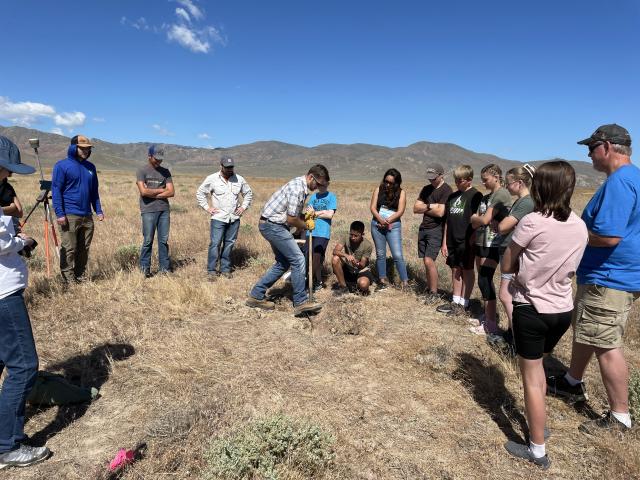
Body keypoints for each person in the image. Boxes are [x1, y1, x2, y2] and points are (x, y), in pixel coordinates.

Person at [547, 124, 640, 434]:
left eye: (591, 148)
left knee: (606, 345)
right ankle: (572, 381)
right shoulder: (634, 177)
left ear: (607, 147)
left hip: (608, 277)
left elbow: (609, 236)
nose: (588, 154)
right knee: (587, 329)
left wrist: (573, 231)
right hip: (616, 274)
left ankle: (619, 417)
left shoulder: (619, 183)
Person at [502, 161, 587, 469]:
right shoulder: (579, 225)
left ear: (540, 187)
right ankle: (539, 426)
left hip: (531, 308)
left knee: (533, 381)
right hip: (563, 311)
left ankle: (537, 449)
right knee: (539, 370)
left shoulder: (533, 222)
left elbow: (507, 265)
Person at [0, 135, 51, 469]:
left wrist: (16, 239)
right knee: (23, 366)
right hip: (4, 296)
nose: (8, 176)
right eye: (6, 170)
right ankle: (7, 446)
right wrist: (21, 241)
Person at [246, 165, 328, 316]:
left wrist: (307, 217)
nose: (317, 188)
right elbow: (291, 219)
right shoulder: (297, 189)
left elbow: (294, 214)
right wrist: (305, 225)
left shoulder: (301, 188)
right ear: (311, 177)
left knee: (283, 263)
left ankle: (256, 295)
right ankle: (300, 302)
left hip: (273, 225)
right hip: (273, 226)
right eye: (317, 184)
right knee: (298, 259)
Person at [51, 135, 104, 283]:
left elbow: (94, 192)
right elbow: (56, 190)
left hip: (87, 215)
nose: (86, 151)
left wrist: (98, 210)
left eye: (88, 148)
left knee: (84, 249)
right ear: (74, 147)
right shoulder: (61, 166)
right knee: (69, 248)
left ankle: (79, 276)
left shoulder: (91, 167)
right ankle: (68, 280)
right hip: (69, 215)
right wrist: (60, 213)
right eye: (82, 148)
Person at [469, 164, 512, 336]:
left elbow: (484, 219)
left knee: (485, 279)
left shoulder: (501, 194)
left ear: (496, 177)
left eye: (485, 179)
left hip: (494, 243)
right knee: (483, 280)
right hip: (482, 241)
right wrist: (477, 220)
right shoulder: (488, 197)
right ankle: (487, 317)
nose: (483, 182)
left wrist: (475, 217)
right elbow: (477, 223)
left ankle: (491, 324)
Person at [496, 164, 536, 347]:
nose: (506, 186)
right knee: (509, 295)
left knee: (506, 295)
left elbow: (504, 226)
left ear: (519, 183)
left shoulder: (526, 202)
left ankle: (516, 338)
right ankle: (514, 334)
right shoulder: (521, 201)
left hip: (514, 254)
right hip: (510, 251)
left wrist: (499, 224)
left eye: (509, 182)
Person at [196, 156, 253, 279]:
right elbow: (200, 193)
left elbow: (248, 193)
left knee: (229, 244)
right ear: (221, 166)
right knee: (215, 243)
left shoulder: (239, 179)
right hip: (218, 218)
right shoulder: (212, 179)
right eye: (227, 167)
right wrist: (207, 208)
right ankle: (211, 270)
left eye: (231, 167)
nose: (229, 169)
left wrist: (243, 207)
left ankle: (225, 269)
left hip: (234, 218)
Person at [436, 165, 482, 316]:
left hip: (467, 241)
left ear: (469, 180)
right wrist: (444, 243)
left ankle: (465, 303)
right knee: (455, 269)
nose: (456, 183)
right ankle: (455, 301)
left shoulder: (476, 195)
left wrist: (473, 241)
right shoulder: (452, 197)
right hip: (452, 241)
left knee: (467, 270)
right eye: (455, 180)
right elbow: (448, 221)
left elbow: (478, 221)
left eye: (460, 180)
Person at [413, 163, 453, 304]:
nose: (431, 180)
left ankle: (434, 293)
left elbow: (441, 212)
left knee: (429, 260)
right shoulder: (426, 189)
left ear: (441, 175)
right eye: (429, 178)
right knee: (425, 261)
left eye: (434, 178)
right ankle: (430, 290)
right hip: (424, 228)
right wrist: (431, 206)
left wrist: (426, 207)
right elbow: (415, 208)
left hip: (436, 229)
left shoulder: (446, 190)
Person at [136, 145, 174, 277]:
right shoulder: (142, 170)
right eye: (156, 159)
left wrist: (151, 193)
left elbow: (172, 192)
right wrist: (162, 190)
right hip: (148, 210)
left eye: (161, 159)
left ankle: (164, 269)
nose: (159, 161)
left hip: (164, 210)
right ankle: (144, 270)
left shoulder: (166, 172)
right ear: (149, 156)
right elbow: (143, 191)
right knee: (148, 240)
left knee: (163, 241)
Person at [369, 168, 408, 289]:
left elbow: (400, 211)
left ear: (396, 183)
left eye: (391, 183)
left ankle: (405, 282)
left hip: (393, 226)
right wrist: (380, 220)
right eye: (386, 181)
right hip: (377, 225)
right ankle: (382, 280)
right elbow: (373, 207)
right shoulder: (378, 189)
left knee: (397, 255)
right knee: (380, 254)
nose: (387, 184)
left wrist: (388, 221)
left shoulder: (401, 193)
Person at [302, 178, 337, 291]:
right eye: (319, 184)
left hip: (323, 232)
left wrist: (315, 213)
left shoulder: (331, 196)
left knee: (317, 256)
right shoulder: (313, 197)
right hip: (311, 230)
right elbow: (308, 213)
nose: (321, 185)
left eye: (323, 183)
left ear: (328, 183)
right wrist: (322, 212)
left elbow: (330, 215)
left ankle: (308, 281)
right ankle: (318, 281)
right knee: (308, 255)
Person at [331, 221, 374, 295]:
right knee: (335, 259)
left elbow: (362, 265)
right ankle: (344, 287)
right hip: (348, 268)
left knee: (363, 284)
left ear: (362, 234)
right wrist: (346, 255)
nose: (353, 237)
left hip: (360, 271)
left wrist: (356, 263)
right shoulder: (345, 237)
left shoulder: (368, 245)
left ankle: (356, 286)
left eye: (356, 236)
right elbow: (335, 251)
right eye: (351, 234)